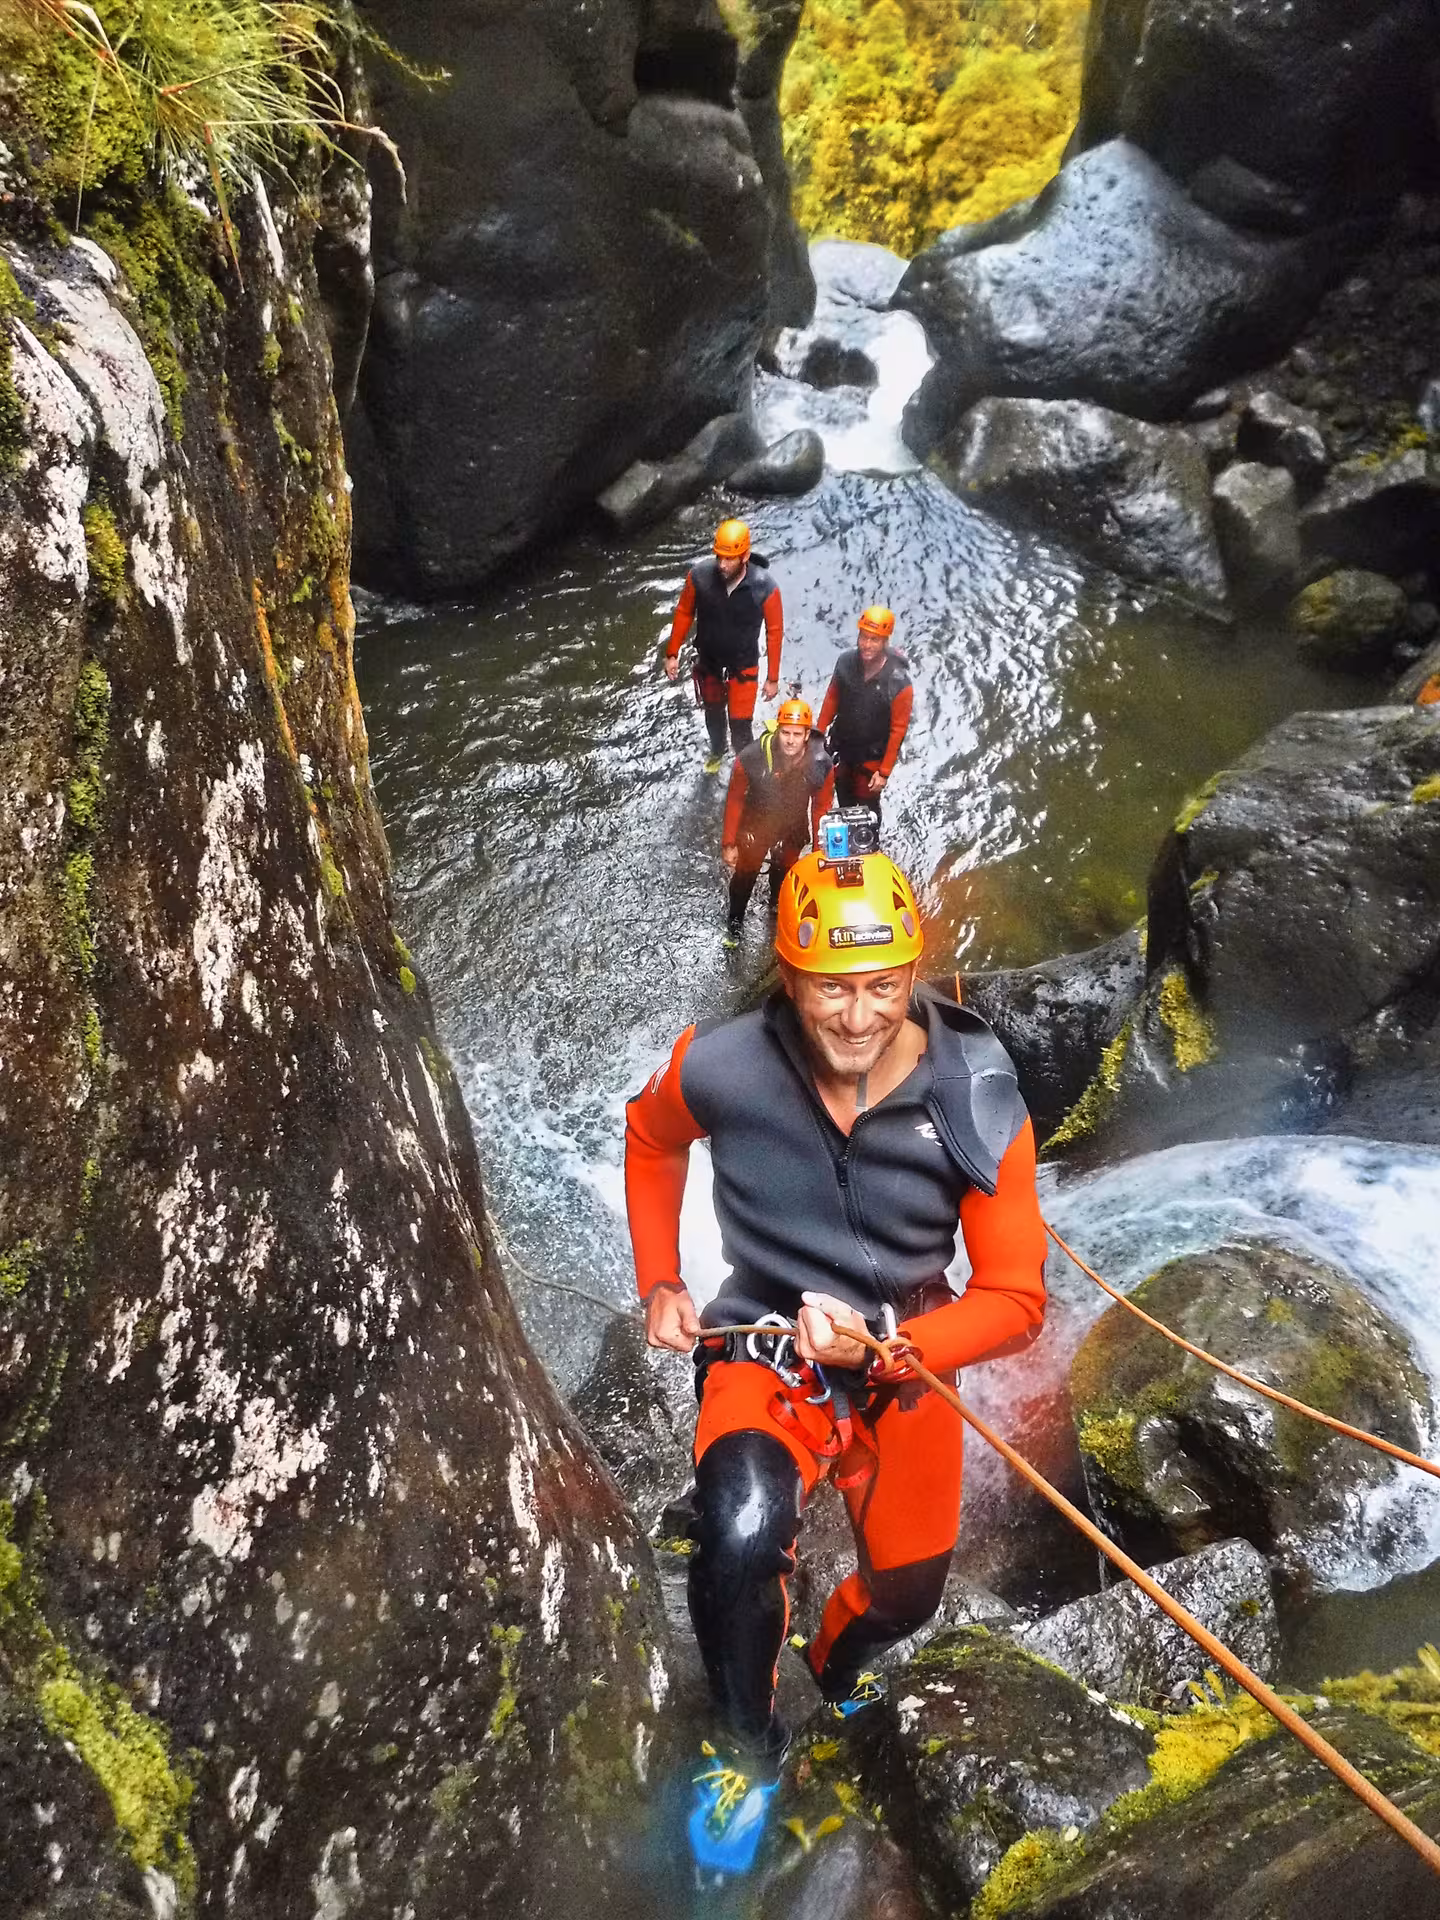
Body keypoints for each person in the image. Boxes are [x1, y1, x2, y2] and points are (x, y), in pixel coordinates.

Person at [624, 843, 1047, 1872]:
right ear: (788, 975)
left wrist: (896, 1347)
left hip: (906, 1348)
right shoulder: (722, 1066)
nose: (858, 1016)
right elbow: (649, 1135)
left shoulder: (976, 1097)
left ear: (912, 976)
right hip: (766, 1337)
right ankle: (745, 1743)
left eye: (881, 986)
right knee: (737, 1529)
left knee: (905, 1596)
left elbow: (1017, 1301)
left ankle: (832, 1657)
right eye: (829, 988)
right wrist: (662, 1282)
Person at [664, 519, 783, 775]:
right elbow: (684, 612)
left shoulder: (765, 587)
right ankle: (717, 751)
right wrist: (672, 653)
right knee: (714, 716)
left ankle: (746, 773)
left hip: (743, 666)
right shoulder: (699, 577)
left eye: (730, 559)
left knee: (740, 725)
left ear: (745, 556)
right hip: (709, 664)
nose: (722, 564)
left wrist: (772, 678)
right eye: (719, 557)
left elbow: (774, 633)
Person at [719, 698, 834, 950]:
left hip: (792, 826)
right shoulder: (751, 758)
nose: (790, 740)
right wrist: (729, 843)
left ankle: (776, 908)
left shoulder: (820, 764)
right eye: (785, 733)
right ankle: (735, 924)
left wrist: (819, 849)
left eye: (796, 734)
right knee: (744, 877)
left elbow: (821, 807)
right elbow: (735, 799)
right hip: (756, 825)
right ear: (777, 731)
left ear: (806, 735)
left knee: (784, 873)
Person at [816, 605, 913, 823]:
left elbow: (898, 729)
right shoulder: (845, 662)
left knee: (868, 804)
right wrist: (818, 735)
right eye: (863, 637)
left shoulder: (899, 683)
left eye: (874, 640)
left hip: (872, 758)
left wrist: (884, 772)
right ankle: (849, 838)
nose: (866, 645)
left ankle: (871, 842)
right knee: (843, 794)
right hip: (843, 746)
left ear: (885, 642)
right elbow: (832, 697)